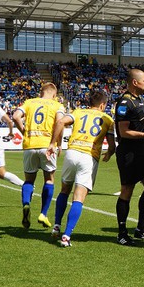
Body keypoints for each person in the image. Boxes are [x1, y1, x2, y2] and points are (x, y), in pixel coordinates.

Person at [47, 90, 115, 247]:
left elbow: (59, 122)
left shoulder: (78, 112)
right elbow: (111, 146)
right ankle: (66, 236)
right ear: (103, 105)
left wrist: (53, 144)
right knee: (78, 197)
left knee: (64, 190)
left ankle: (57, 226)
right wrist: (109, 154)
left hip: (72, 152)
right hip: (89, 157)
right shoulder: (107, 119)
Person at [112, 68, 144, 246]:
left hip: (141, 150)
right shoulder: (125, 102)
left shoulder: (140, 100)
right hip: (128, 151)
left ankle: (142, 227)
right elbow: (123, 132)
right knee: (127, 190)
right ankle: (122, 232)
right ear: (135, 82)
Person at [12, 82, 65, 230]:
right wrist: (57, 143)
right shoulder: (57, 105)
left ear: (41, 92)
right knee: (49, 179)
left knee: (29, 179)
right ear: (54, 94)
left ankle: (26, 204)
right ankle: (43, 213)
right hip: (47, 144)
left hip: (30, 144)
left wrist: (24, 133)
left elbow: (16, 116)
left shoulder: (29, 102)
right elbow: (60, 122)